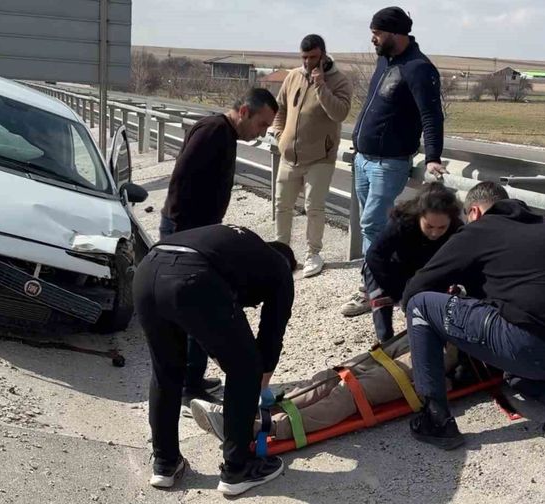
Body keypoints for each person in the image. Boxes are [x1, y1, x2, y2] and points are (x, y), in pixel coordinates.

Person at [402, 182, 545, 449]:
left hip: (533, 349)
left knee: (420, 304)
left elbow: (418, 287)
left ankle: (435, 419)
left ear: (474, 212)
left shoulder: (480, 230)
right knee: (512, 367)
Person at [134, 224, 296, 496]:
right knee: (245, 368)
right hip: (192, 277)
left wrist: (226, 354)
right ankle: (238, 469)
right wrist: (257, 387)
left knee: (166, 371)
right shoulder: (280, 270)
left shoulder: (236, 250)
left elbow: (198, 319)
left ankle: (165, 464)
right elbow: (270, 337)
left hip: (148, 271)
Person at [159, 88, 278, 412]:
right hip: (186, 234)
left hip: (198, 234)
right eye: (261, 124)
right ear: (244, 111)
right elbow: (181, 181)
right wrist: (184, 236)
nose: (261, 133)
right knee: (194, 311)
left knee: (198, 307)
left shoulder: (224, 135)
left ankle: (193, 379)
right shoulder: (213, 131)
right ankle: (187, 386)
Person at [340, 6, 445, 317]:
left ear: (396, 34)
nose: (373, 39)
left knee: (372, 223)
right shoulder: (386, 61)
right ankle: (384, 282)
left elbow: (431, 116)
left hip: (389, 163)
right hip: (364, 159)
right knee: (373, 227)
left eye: (378, 33)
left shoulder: (418, 68)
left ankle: (372, 289)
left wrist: (433, 157)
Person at [190, 331, 464, 443]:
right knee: (333, 376)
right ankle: (245, 414)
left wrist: (445, 385)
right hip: (428, 332)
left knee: (349, 392)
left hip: (444, 355)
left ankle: (256, 428)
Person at [272, 34, 352, 278]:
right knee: (282, 205)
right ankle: (281, 252)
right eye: (304, 57)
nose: (307, 62)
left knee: (313, 207)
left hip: (320, 157)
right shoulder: (293, 76)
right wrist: (278, 134)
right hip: (288, 155)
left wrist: (321, 86)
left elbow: (340, 114)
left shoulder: (339, 81)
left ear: (324, 55)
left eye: (313, 57)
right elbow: (281, 108)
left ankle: (313, 253)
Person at [364, 182, 462, 342]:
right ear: (419, 216)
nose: (435, 233)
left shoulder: (457, 229)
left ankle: (425, 340)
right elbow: (375, 255)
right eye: (429, 226)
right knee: (381, 299)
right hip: (391, 267)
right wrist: (397, 293)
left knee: (427, 307)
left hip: (425, 269)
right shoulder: (402, 221)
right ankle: (386, 342)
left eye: (442, 227)